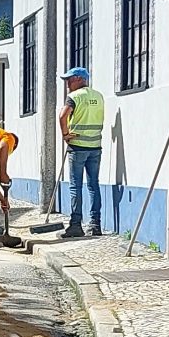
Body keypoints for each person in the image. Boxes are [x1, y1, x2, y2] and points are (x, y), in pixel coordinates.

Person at [57, 66, 104, 238]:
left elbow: (62, 116)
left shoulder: (74, 97)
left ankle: (76, 224)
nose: (67, 84)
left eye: (70, 79)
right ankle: (95, 224)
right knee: (93, 185)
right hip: (95, 146)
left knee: (75, 186)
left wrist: (65, 135)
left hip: (77, 146)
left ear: (79, 79)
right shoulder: (98, 96)